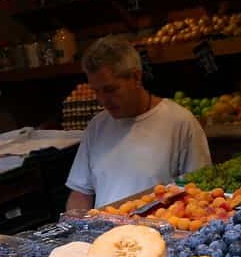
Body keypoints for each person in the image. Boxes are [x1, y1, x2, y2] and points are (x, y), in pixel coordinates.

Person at [66, 36, 211, 209]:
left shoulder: (180, 122)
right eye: (96, 91)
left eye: (110, 89)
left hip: (159, 232)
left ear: (136, 77)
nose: (102, 100)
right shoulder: (97, 126)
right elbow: (81, 193)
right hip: (105, 233)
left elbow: (199, 192)